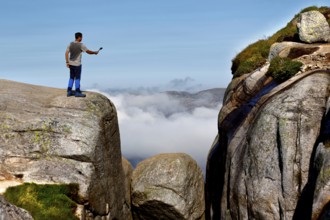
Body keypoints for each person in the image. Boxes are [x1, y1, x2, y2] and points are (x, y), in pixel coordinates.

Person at [65, 32, 99, 97]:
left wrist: (67, 62)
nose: (82, 38)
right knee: (77, 78)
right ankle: (77, 92)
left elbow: (66, 53)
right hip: (77, 65)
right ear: (79, 37)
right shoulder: (81, 45)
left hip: (71, 64)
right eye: (82, 37)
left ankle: (69, 91)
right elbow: (88, 51)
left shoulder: (70, 44)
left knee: (71, 77)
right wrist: (95, 52)